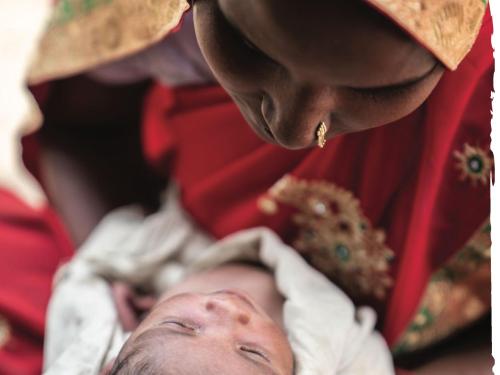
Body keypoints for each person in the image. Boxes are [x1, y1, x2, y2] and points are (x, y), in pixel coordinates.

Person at [0, 0, 492, 373]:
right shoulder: (158, 28)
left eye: (375, 90)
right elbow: (80, 135)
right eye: (252, 49)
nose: (294, 129)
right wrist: (131, 290)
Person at [40, 192, 393, 374]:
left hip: (195, 239)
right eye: (253, 352)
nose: (226, 310)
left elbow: (85, 282)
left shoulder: (110, 333)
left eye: (182, 325)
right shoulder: (324, 348)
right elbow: (368, 357)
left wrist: (117, 299)